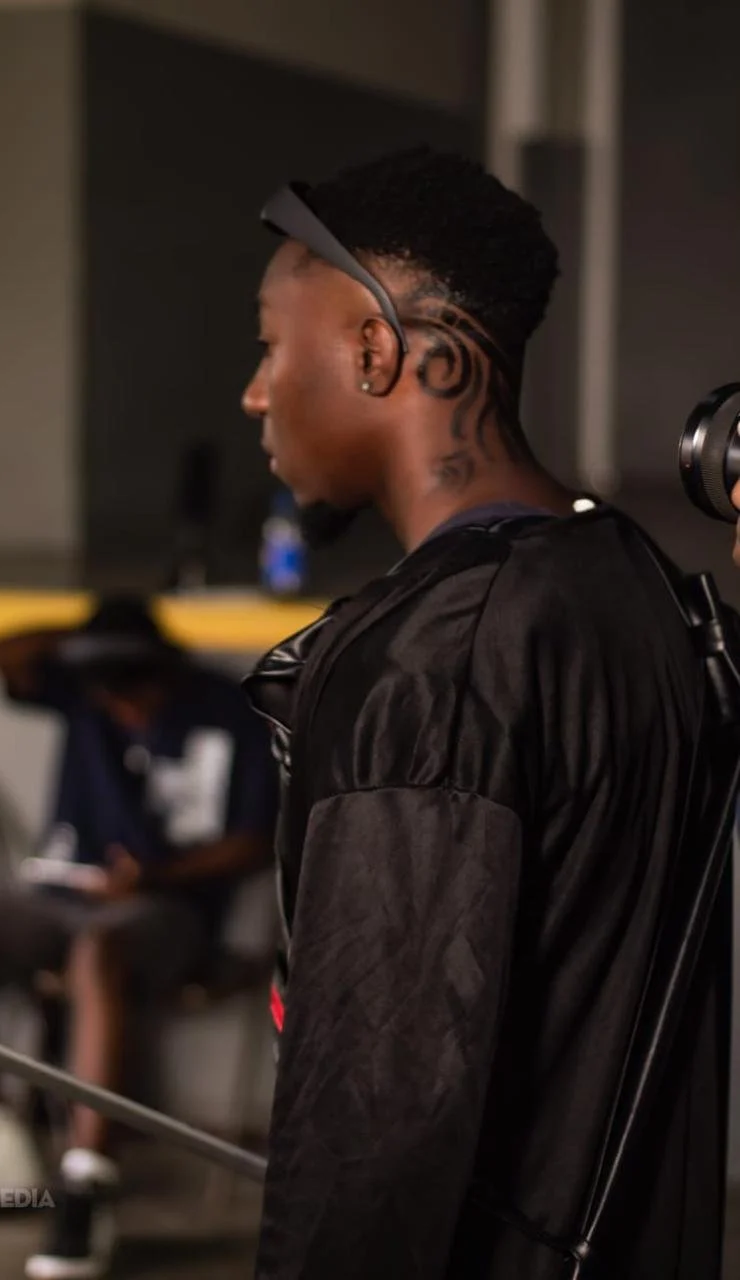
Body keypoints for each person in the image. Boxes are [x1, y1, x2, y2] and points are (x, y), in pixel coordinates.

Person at [240, 148, 728, 1278]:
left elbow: (374, 1136)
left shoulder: (432, 665)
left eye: (269, 343)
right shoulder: (642, 591)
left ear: (375, 349)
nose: (256, 390)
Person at [0, 596, 277, 1279]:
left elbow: (255, 840)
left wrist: (156, 875)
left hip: (166, 911)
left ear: (164, 670)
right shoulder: (85, 692)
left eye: (132, 685)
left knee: (97, 954)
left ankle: (85, 1180)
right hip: (55, 898)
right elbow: (2, 652)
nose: (121, 705)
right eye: (108, 688)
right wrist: (97, 639)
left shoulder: (231, 711)